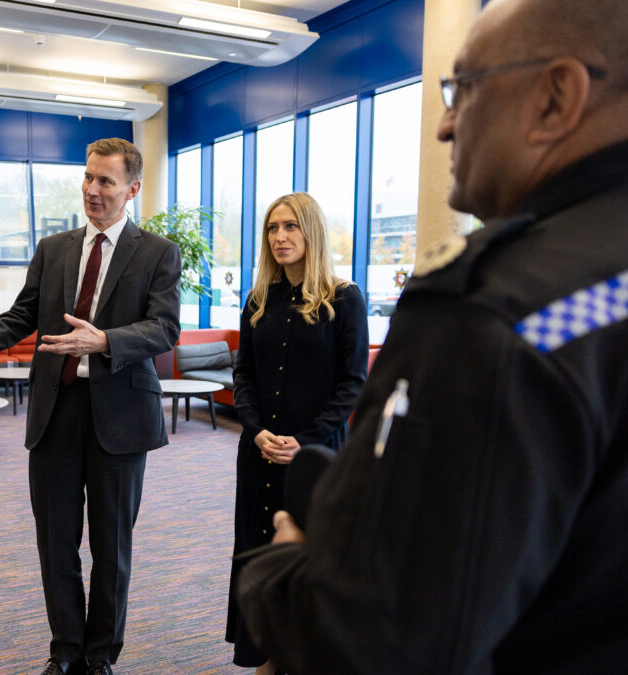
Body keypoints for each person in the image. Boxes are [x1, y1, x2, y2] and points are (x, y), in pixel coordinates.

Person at [236, 0, 628, 672]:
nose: (445, 125)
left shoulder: (497, 315)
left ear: (556, 96)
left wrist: (289, 566)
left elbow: (381, 637)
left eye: (463, 89)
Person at [0, 138, 180, 675]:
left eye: (106, 181)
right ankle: (65, 650)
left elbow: (164, 328)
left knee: (111, 546)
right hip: (56, 412)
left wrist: (105, 341)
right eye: (88, 178)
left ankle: (100, 655)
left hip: (120, 417)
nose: (92, 189)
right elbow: (24, 315)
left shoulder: (157, 252)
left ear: (132, 189)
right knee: (55, 541)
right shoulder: (55, 248)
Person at [226, 192, 368, 673]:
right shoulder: (258, 299)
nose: (280, 237)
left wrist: (304, 440)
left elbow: (353, 384)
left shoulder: (344, 298)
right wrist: (256, 430)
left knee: (307, 558)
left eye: (291, 227)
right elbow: (243, 375)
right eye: (272, 228)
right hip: (260, 452)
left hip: (314, 456)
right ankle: (263, 659)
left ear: (311, 232)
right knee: (259, 547)